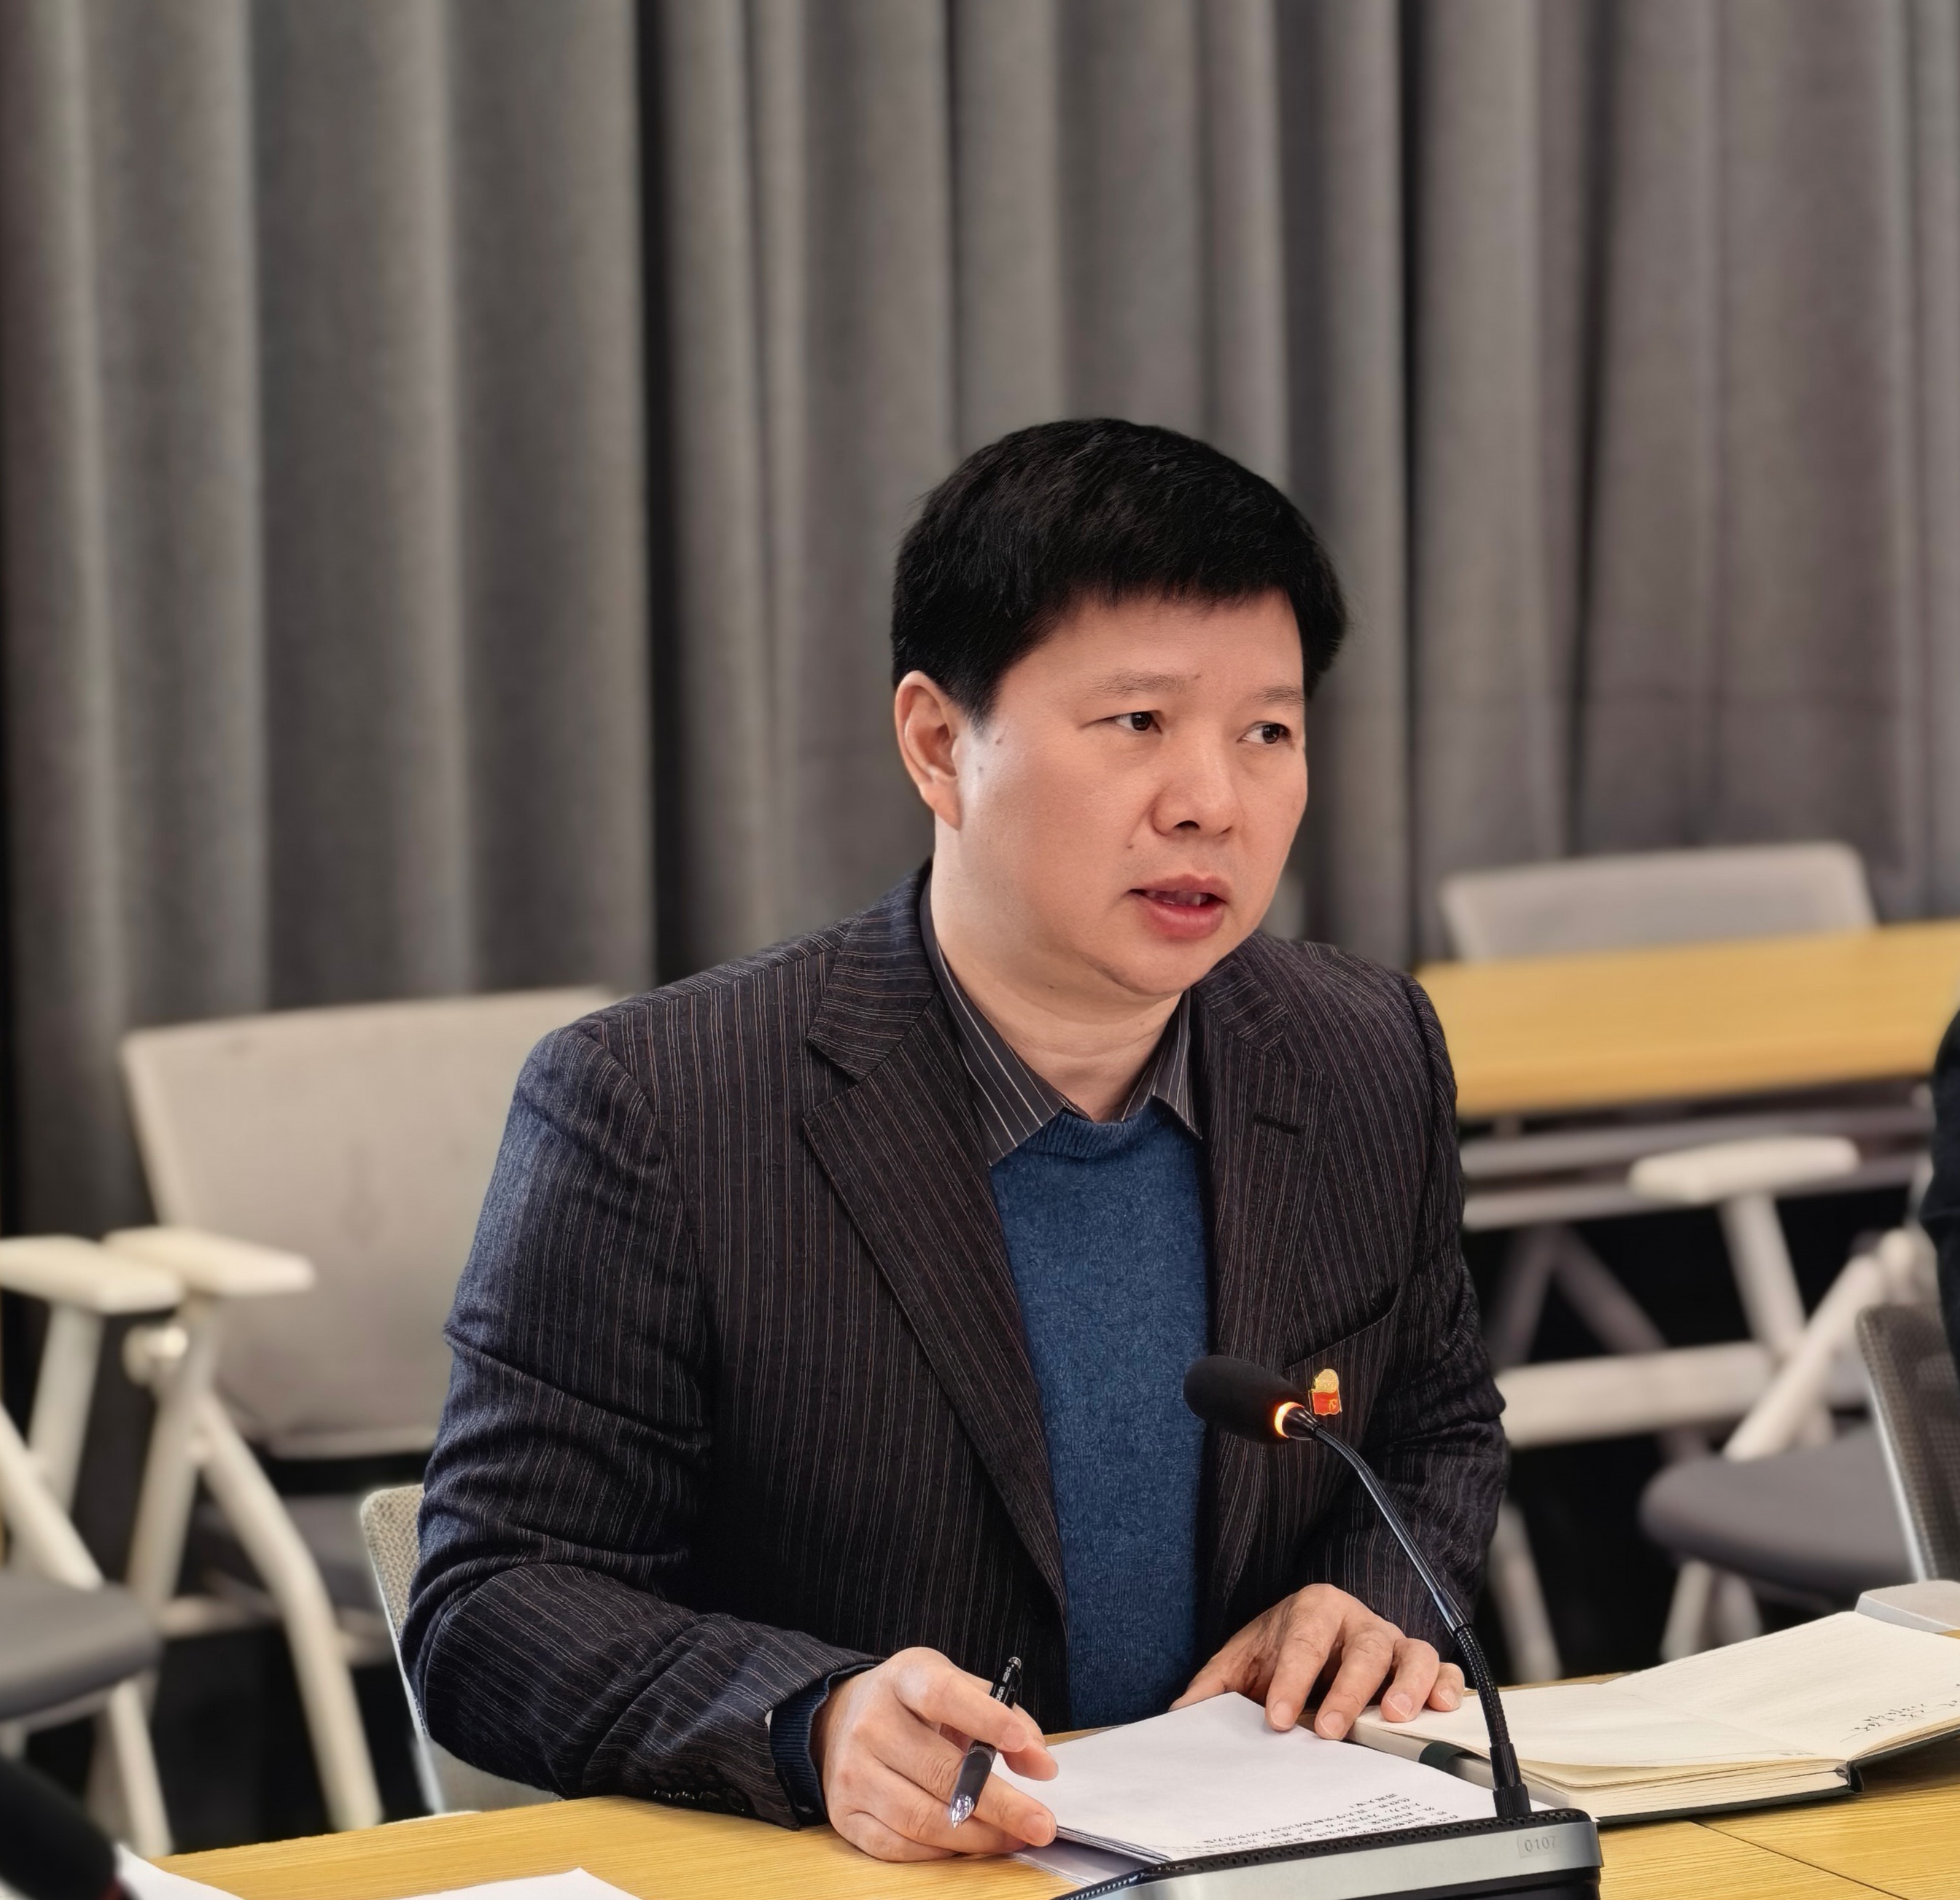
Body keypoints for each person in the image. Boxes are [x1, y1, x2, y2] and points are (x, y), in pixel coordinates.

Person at [405, 419, 1505, 1864]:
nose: (1212, 801)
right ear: (939, 743)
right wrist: (812, 1722)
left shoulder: (1362, 1049)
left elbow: (1433, 1431)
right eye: (1138, 722)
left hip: (1269, 1861)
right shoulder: (658, 1105)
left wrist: (1365, 1599)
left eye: (1268, 731)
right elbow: (491, 1598)